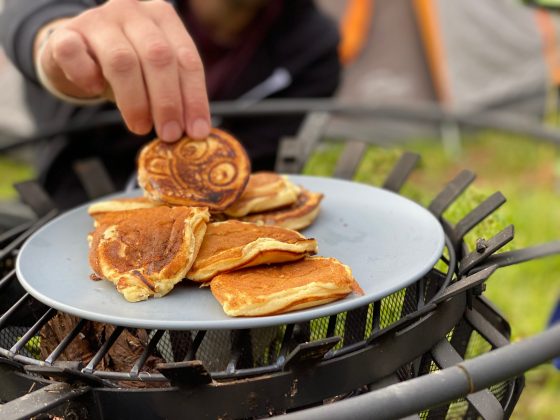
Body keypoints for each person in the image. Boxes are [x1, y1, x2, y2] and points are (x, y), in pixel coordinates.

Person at [0, 0, 341, 208]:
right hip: (74, 199)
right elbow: (35, 14)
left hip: (216, 227)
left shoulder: (314, 47)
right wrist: (55, 46)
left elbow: (258, 166)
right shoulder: (122, 6)